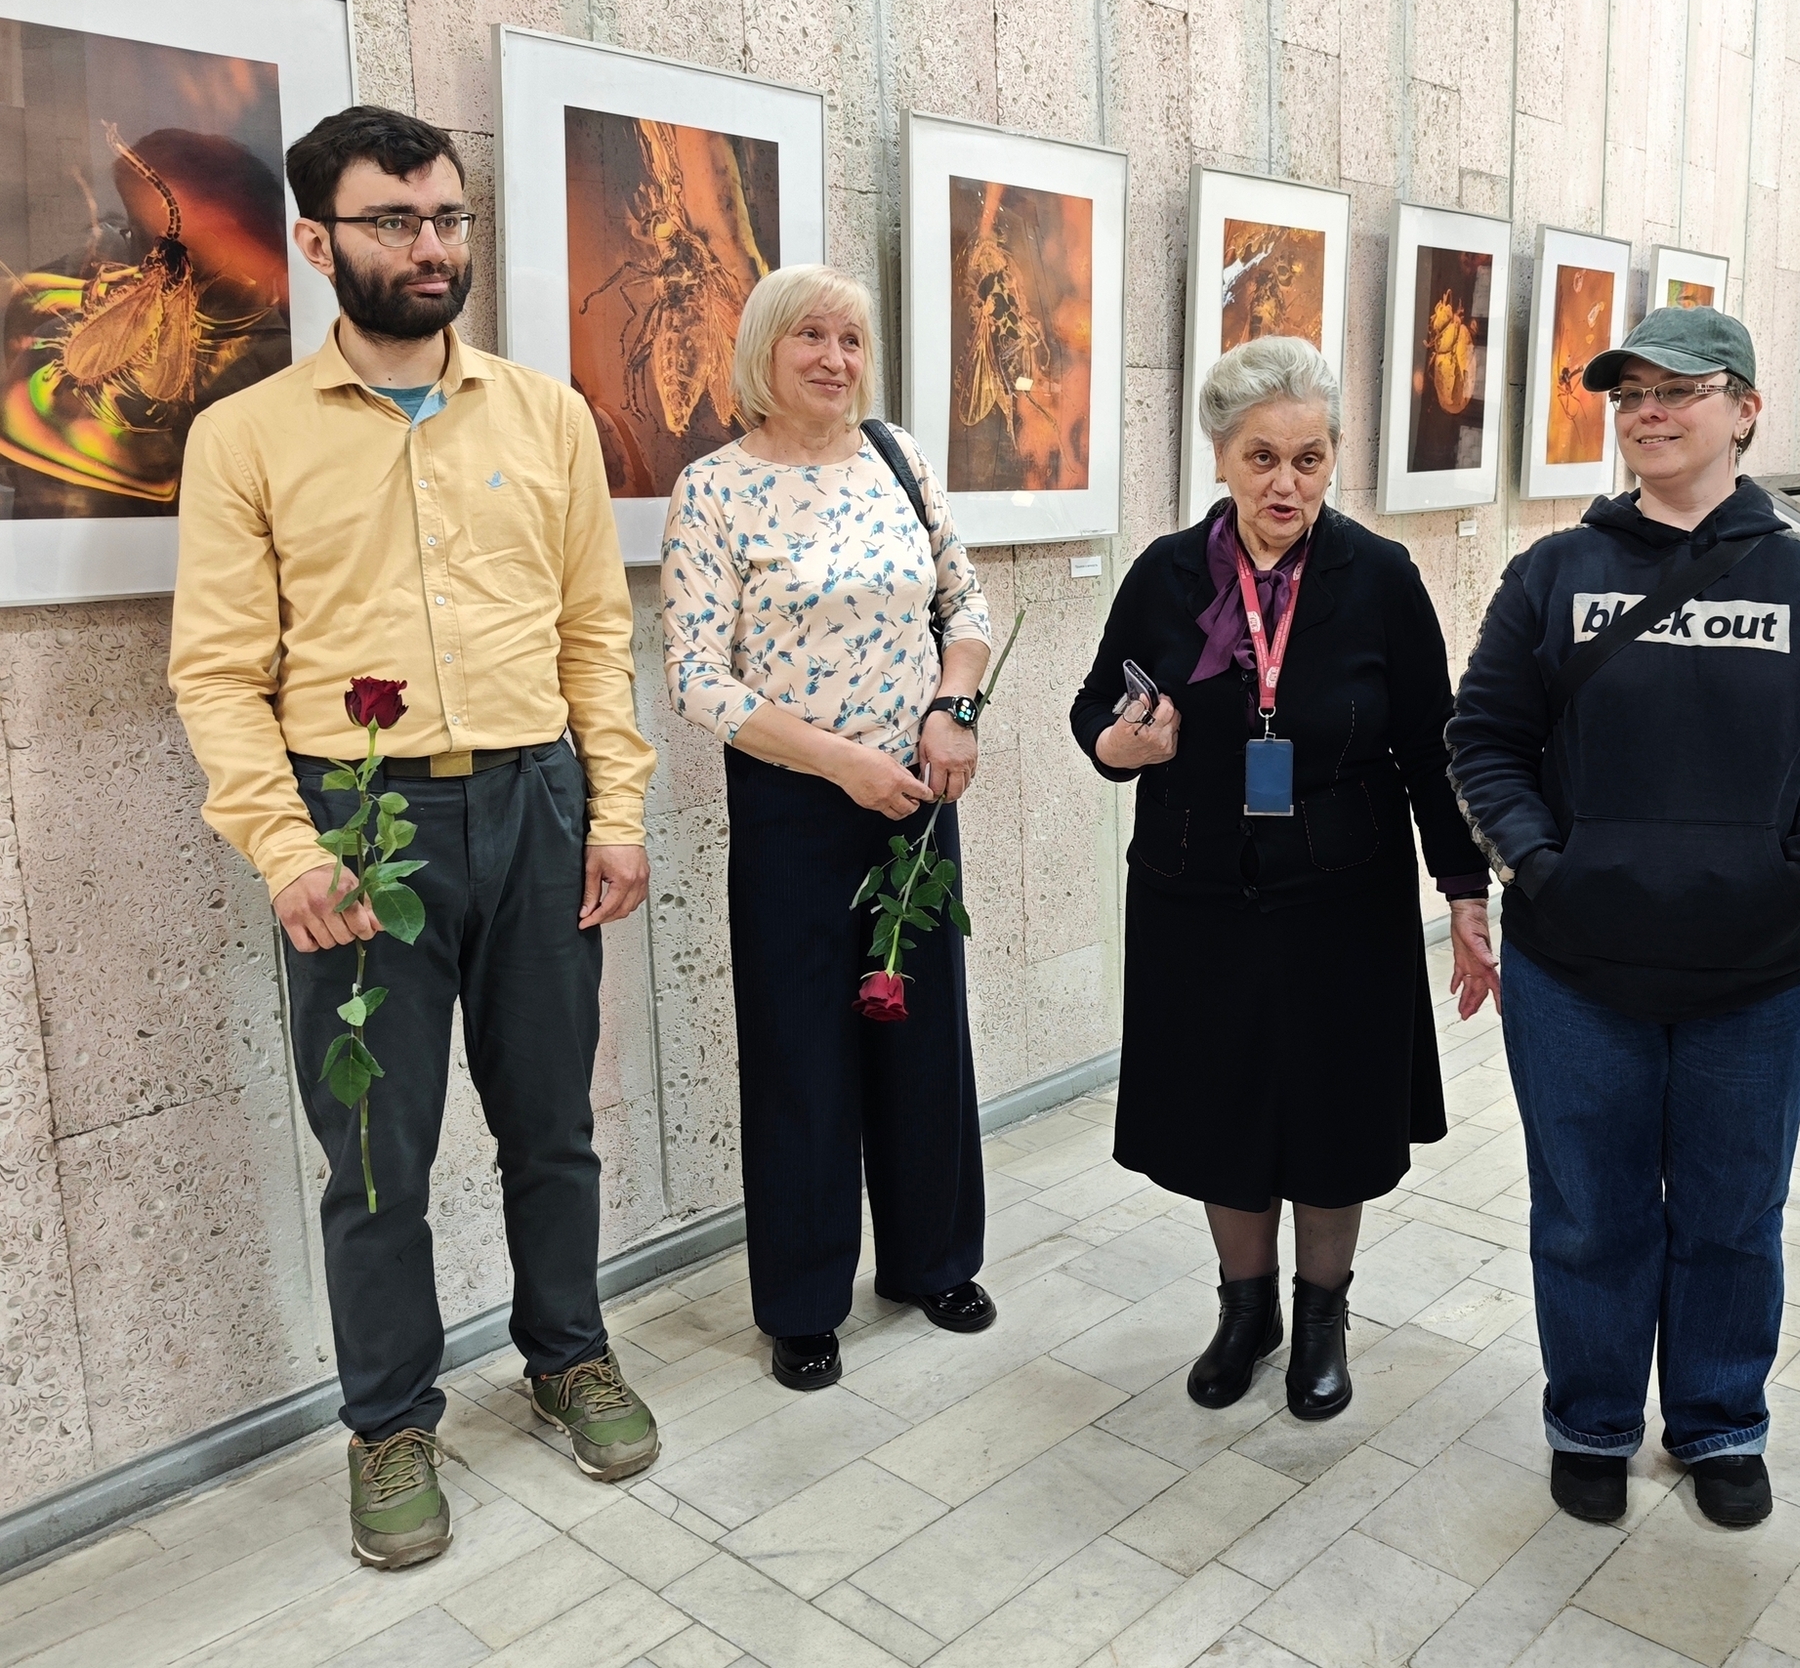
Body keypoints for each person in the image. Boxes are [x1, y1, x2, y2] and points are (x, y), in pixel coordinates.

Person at [168, 105, 661, 1571]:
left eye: (447, 216)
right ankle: (388, 1420)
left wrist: (615, 809)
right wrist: (285, 848)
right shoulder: (245, 437)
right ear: (319, 243)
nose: (431, 244)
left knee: (553, 1121)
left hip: (536, 802)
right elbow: (218, 673)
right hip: (359, 827)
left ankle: (569, 1352)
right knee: (375, 1153)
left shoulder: (545, 415)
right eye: (394, 219)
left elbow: (594, 632)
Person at [1446, 304, 1800, 1527]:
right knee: (1587, 1214)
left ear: (1744, 410)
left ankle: (1718, 1422)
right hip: (1576, 971)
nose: (1648, 414)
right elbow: (1483, 738)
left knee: (1732, 1215)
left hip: (1762, 977)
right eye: (1630, 396)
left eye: (1678, 391)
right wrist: (1541, 867)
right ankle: (1592, 1419)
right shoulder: (1553, 574)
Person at [1070, 335, 1498, 1421]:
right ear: (1220, 456)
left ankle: (1321, 1317)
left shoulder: (1379, 579)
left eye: (1309, 459)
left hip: (1341, 896)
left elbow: (1429, 746)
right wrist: (1120, 745)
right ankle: (1244, 1309)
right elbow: (1093, 707)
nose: (1286, 484)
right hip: (1196, 890)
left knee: (1332, 1111)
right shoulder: (1164, 575)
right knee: (1223, 1107)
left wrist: (1464, 894)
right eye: (1262, 458)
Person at [661, 265, 996, 1397]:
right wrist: (838, 760)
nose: (834, 359)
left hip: (916, 794)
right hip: (796, 805)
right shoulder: (714, 490)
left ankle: (933, 1261)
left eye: (850, 339)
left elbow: (964, 605)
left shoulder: (898, 460)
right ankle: (804, 1304)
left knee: (923, 1031)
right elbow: (697, 677)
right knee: (801, 1051)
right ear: (764, 349)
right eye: (809, 335)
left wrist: (953, 710)